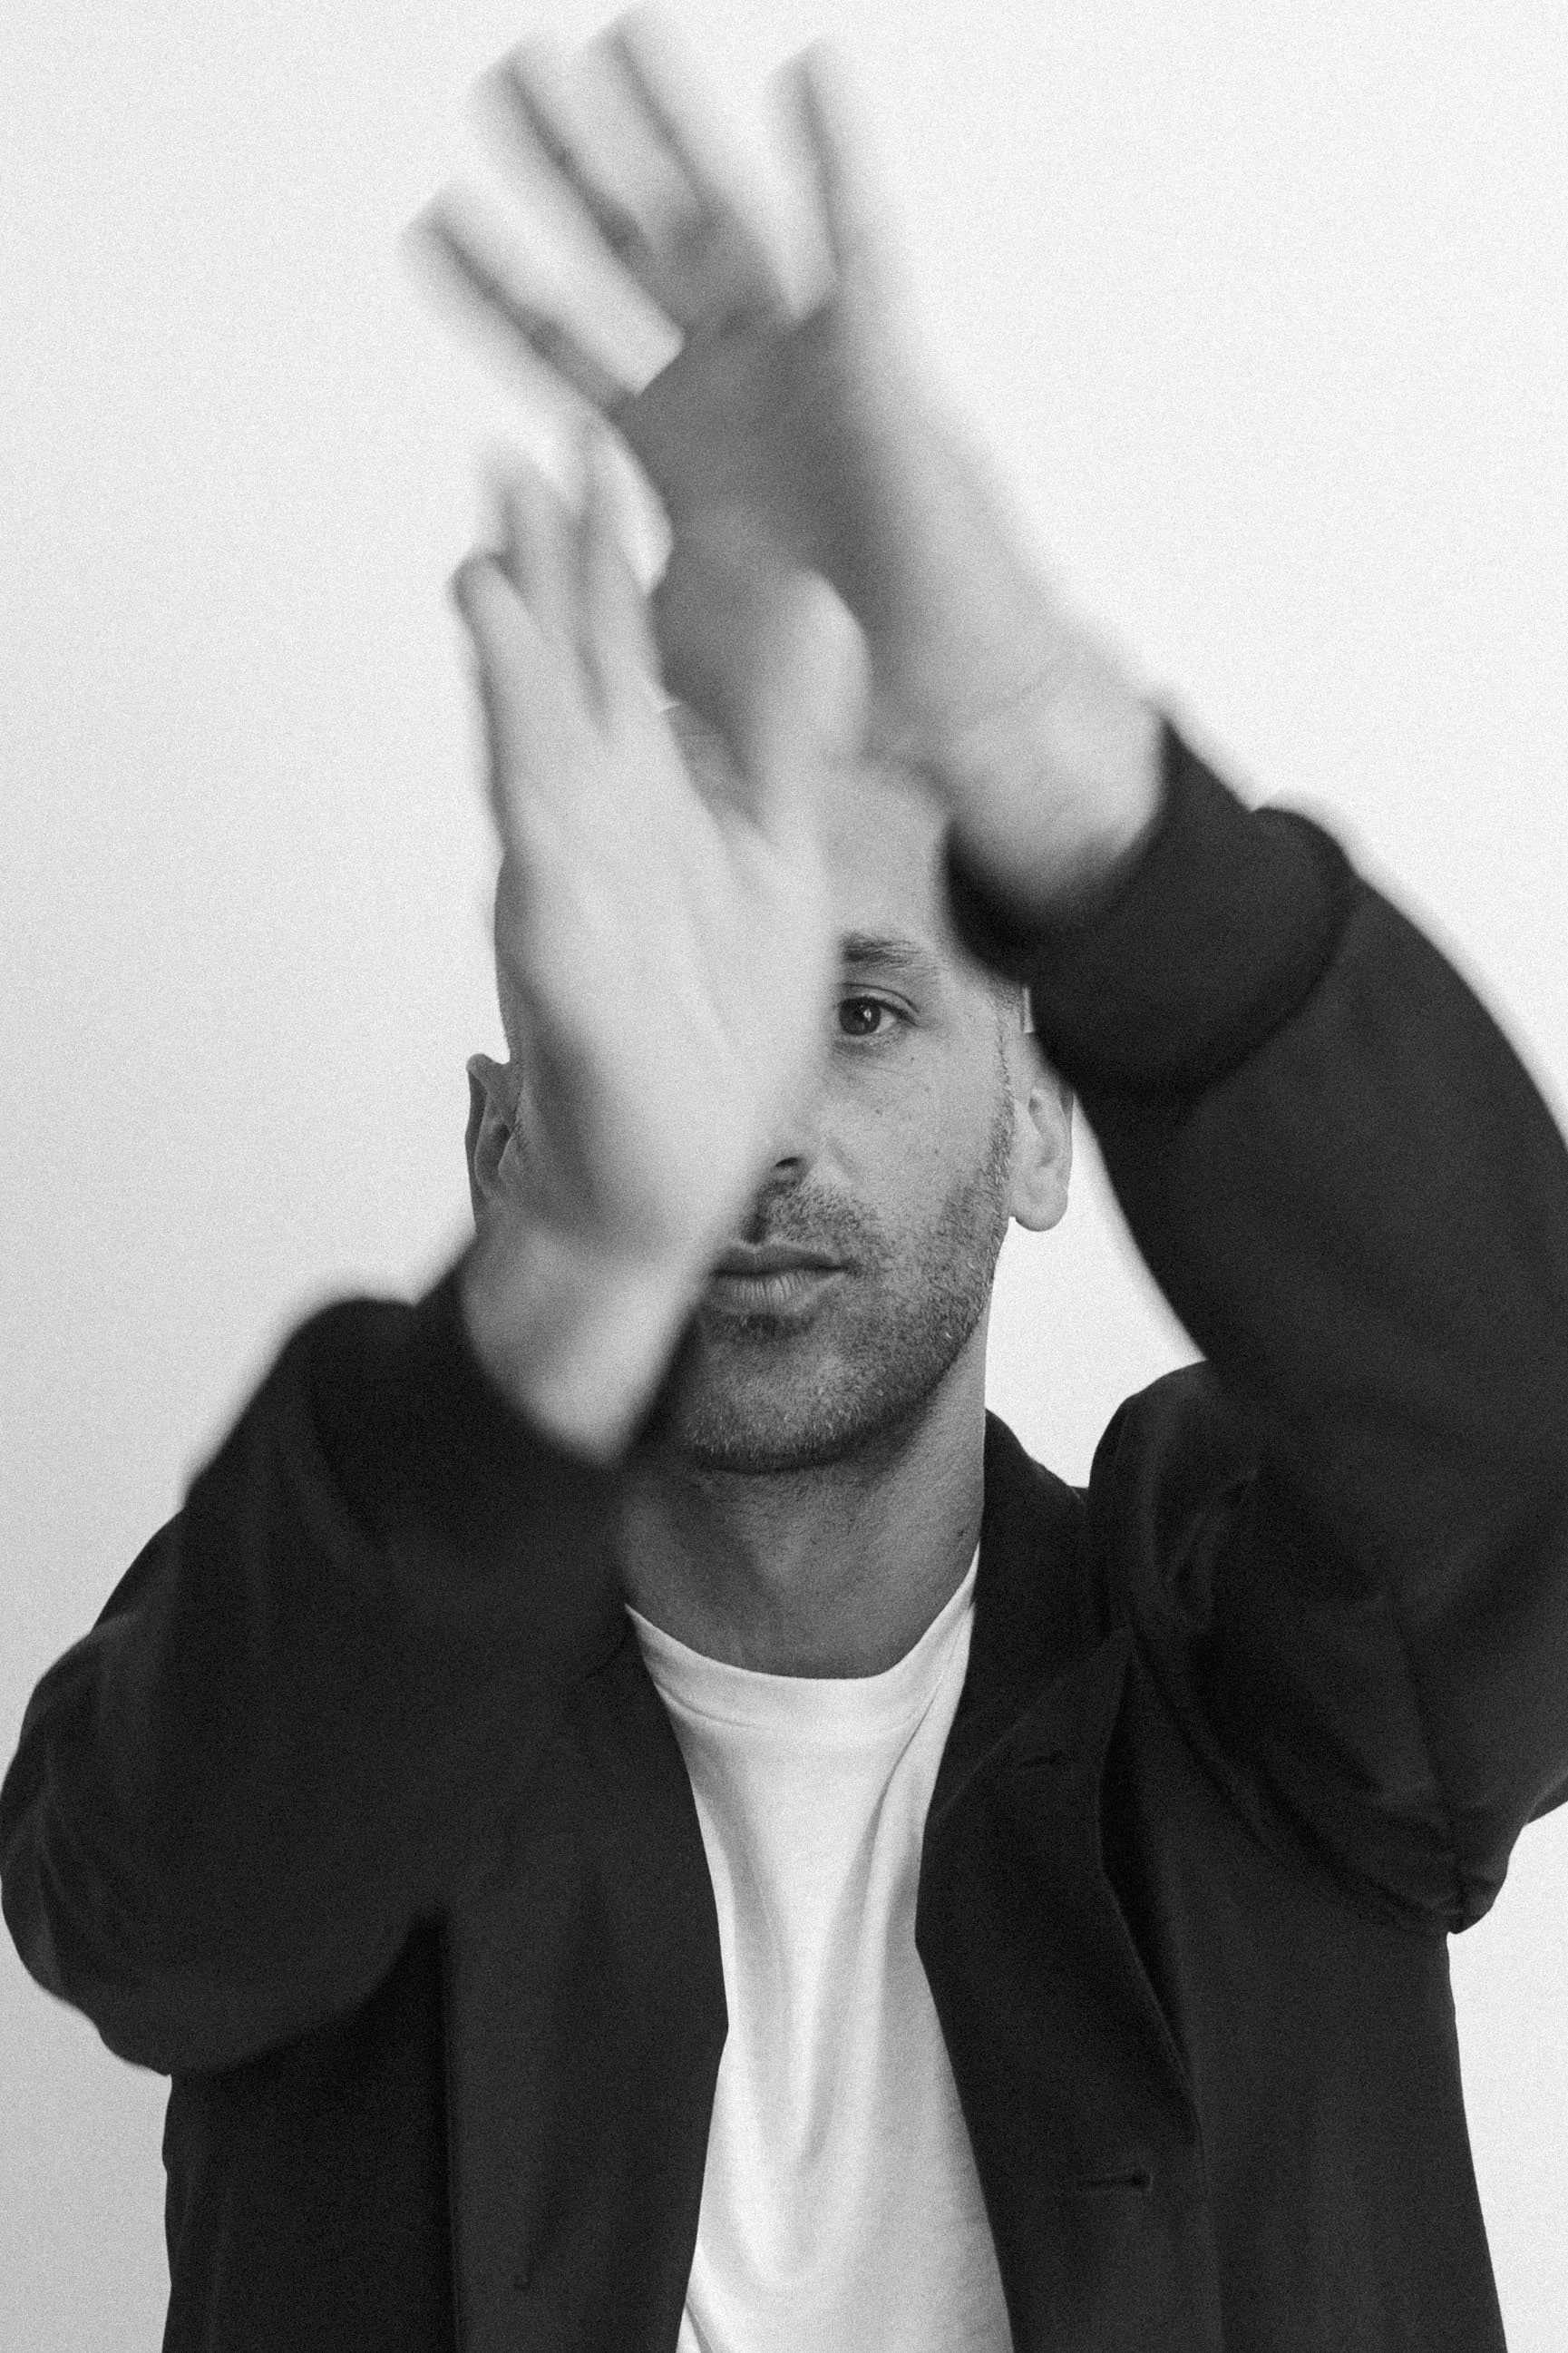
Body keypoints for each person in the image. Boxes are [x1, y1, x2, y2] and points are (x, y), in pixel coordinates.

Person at [5, 15, 1567, 2351]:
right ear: (501, 1148)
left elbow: (1523, 1459)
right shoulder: (316, 1686)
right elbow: (148, 1906)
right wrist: (584, 1271)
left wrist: (1057, 757)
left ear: (1041, 1118)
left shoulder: (1252, 1672)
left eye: (861, 1012)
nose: (760, 1125)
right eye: (692, 1026)